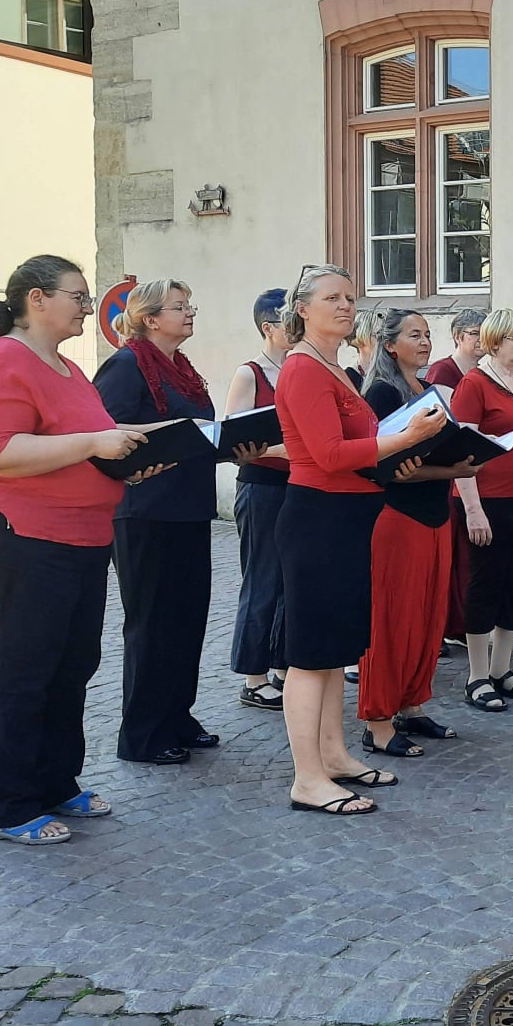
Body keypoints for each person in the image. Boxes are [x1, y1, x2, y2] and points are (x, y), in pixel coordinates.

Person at [0, 255, 161, 845]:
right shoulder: (4, 360)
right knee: (21, 669)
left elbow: (80, 449)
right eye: (78, 297)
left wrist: (125, 463)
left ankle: (55, 781)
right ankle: (8, 807)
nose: (88, 307)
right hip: (13, 533)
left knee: (70, 666)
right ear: (37, 300)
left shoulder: (64, 367)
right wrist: (95, 442)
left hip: (77, 535)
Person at [274, 264, 448, 815]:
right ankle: (307, 778)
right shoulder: (303, 369)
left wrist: (406, 444)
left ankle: (334, 755)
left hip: (347, 516)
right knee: (309, 653)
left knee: (333, 650)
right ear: (303, 308)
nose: (346, 306)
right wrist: (405, 435)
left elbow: (359, 440)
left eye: (350, 297)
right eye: (333, 298)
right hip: (318, 517)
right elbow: (327, 454)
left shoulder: (333, 368)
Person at [94, 279, 227, 766]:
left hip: (188, 508)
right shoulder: (126, 365)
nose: (190, 313)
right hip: (143, 512)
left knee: (187, 619)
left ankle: (177, 716)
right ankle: (143, 734)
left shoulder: (181, 368)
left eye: (190, 304)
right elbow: (105, 433)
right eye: (179, 307)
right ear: (150, 318)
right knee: (152, 624)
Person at [359, 310, 481, 751]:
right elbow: (387, 468)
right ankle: (377, 720)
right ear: (391, 345)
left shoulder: (427, 390)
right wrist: (452, 468)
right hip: (397, 516)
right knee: (393, 619)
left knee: (429, 616)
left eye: (428, 334)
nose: (426, 341)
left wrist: (462, 460)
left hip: (435, 514)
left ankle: (411, 705)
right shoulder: (380, 393)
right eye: (415, 335)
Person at [450, 308, 513, 710]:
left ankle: (502, 668)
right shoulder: (473, 385)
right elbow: (462, 451)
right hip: (489, 499)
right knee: (485, 582)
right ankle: (476, 675)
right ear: (495, 342)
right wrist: (473, 509)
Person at [225, 289, 291, 711]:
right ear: (269, 328)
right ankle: (253, 676)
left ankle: (284, 664)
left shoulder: (305, 367)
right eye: (290, 321)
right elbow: (233, 440)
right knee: (263, 578)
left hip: (298, 486)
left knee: (291, 583)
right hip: (262, 487)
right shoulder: (250, 374)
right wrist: (289, 449)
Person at [425, 308, 484, 645]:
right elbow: (449, 420)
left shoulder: (481, 371)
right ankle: (447, 625)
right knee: (451, 552)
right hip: (447, 470)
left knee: (466, 553)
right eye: (475, 333)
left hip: (469, 467)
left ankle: (462, 622)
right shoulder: (443, 370)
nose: (480, 340)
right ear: (460, 336)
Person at [426, 308, 484, 391]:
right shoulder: (441, 371)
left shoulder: (485, 373)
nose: (481, 339)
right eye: (475, 333)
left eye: (485, 334)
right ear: (457, 336)